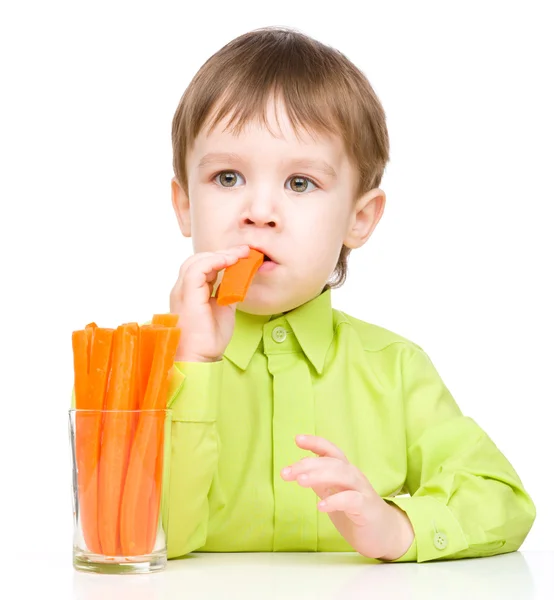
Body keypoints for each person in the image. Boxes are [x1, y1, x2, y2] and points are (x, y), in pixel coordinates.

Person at [164, 26, 536, 563]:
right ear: (183, 205)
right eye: (227, 178)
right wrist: (191, 365)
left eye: (300, 183)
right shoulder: (148, 368)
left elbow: (502, 497)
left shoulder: (396, 370)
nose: (259, 210)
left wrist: (400, 527)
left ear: (359, 219)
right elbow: (146, 538)